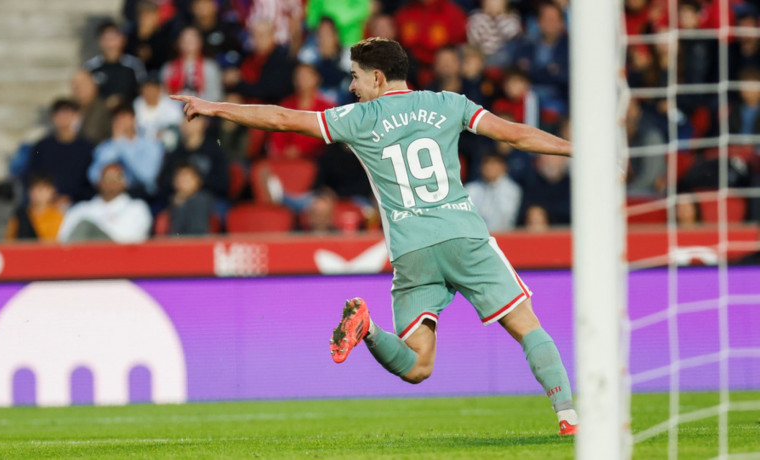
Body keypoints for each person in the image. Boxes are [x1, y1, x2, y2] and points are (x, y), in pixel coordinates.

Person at [171, 37, 577, 435]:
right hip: (463, 236)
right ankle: (568, 417)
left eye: (356, 78)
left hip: (411, 251)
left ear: (378, 78)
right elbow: (515, 135)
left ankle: (368, 328)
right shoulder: (448, 103)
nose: (351, 87)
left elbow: (280, 118)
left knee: (418, 366)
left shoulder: (357, 119)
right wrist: (578, 150)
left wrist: (214, 107)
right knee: (528, 328)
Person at [58, 162, 152, 243]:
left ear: (125, 183)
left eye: (116, 178)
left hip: (119, 256)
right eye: (107, 178)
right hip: (84, 258)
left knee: (86, 226)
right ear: (99, 181)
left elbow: (133, 239)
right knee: (84, 225)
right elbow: (64, 240)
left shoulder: (137, 208)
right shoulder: (81, 209)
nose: (111, 182)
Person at [88, 104, 164, 200]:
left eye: (124, 118)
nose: (121, 123)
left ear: (134, 119)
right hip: (110, 196)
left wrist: (121, 145)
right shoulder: (105, 146)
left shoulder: (151, 145)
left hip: (142, 195)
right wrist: (116, 144)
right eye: (117, 119)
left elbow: (147, 177)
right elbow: (93, 175)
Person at [84, 19, 147, 110]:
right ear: (100, 42)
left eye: (113, 38)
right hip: (100, 115)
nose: (110, 44)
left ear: (122, 39)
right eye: (106, 39)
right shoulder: (91, 67)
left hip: (130, 113)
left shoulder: (134, 64)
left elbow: (142, 89)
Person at [464, 151, 522, 233]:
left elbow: (506, 219)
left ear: (503, 167)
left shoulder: (512, 190)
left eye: (494, 163)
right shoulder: (470, 189)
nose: (489, 167)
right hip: (475, 236)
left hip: (503, 236)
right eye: (486, 163)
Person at [5, 173, 65, 241]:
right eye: (37, 188)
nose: (40, 192)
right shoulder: (20, 216)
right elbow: (10, 242)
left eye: (44, 188)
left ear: (52, 191)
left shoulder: (59, 217)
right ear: (30, 192)